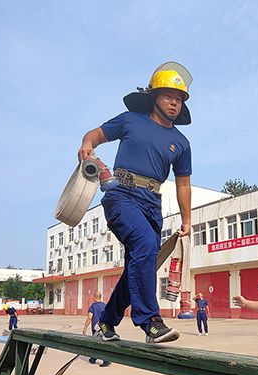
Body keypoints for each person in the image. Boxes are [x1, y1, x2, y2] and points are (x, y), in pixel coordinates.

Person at [78, 63, 193, 344]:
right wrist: (86, 145)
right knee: (144, 245)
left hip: (152, 204)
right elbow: (95, 135)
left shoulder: (181, 142)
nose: (174, 103)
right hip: (121, 195)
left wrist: (187, 219)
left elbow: (183, 183)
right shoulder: (130, 120)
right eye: (168, 96)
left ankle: (105, 322)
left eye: (179, 99)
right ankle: (150, 322)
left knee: (140, 264)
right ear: (154, 96)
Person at [82, 292, 111, 367]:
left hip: (96, 328)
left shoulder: (93, 306)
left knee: (96, 343)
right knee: (103, 343)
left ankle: (105, 360)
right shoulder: (105, 305)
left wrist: (85, 327)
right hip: (104, 327)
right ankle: (93, 358)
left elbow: (90, 317)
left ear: (94, 297)